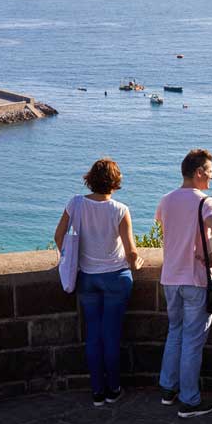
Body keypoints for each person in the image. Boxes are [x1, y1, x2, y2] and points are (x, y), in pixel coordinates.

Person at [54, 158, 144, 407]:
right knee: (111, 336)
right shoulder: (120, 210)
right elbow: (131, 252)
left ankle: (97, 391)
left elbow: (59, 236)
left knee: (93, 336)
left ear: (90, 179)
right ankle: (113, 389)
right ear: (115, 182)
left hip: (87, 279)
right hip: (116, 277)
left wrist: (68, 259)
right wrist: (138, 264)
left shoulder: (75, 204)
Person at [155, 149, 212, 418]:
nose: (211, 176)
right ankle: (189, 400)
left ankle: (167, 389)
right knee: (193, 341)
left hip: (169, 278)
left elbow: (167, 230)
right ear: (198, 172)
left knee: (175, 332)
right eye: (209, 172)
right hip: (195, 279)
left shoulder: (166, 200)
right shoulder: (205, 203)